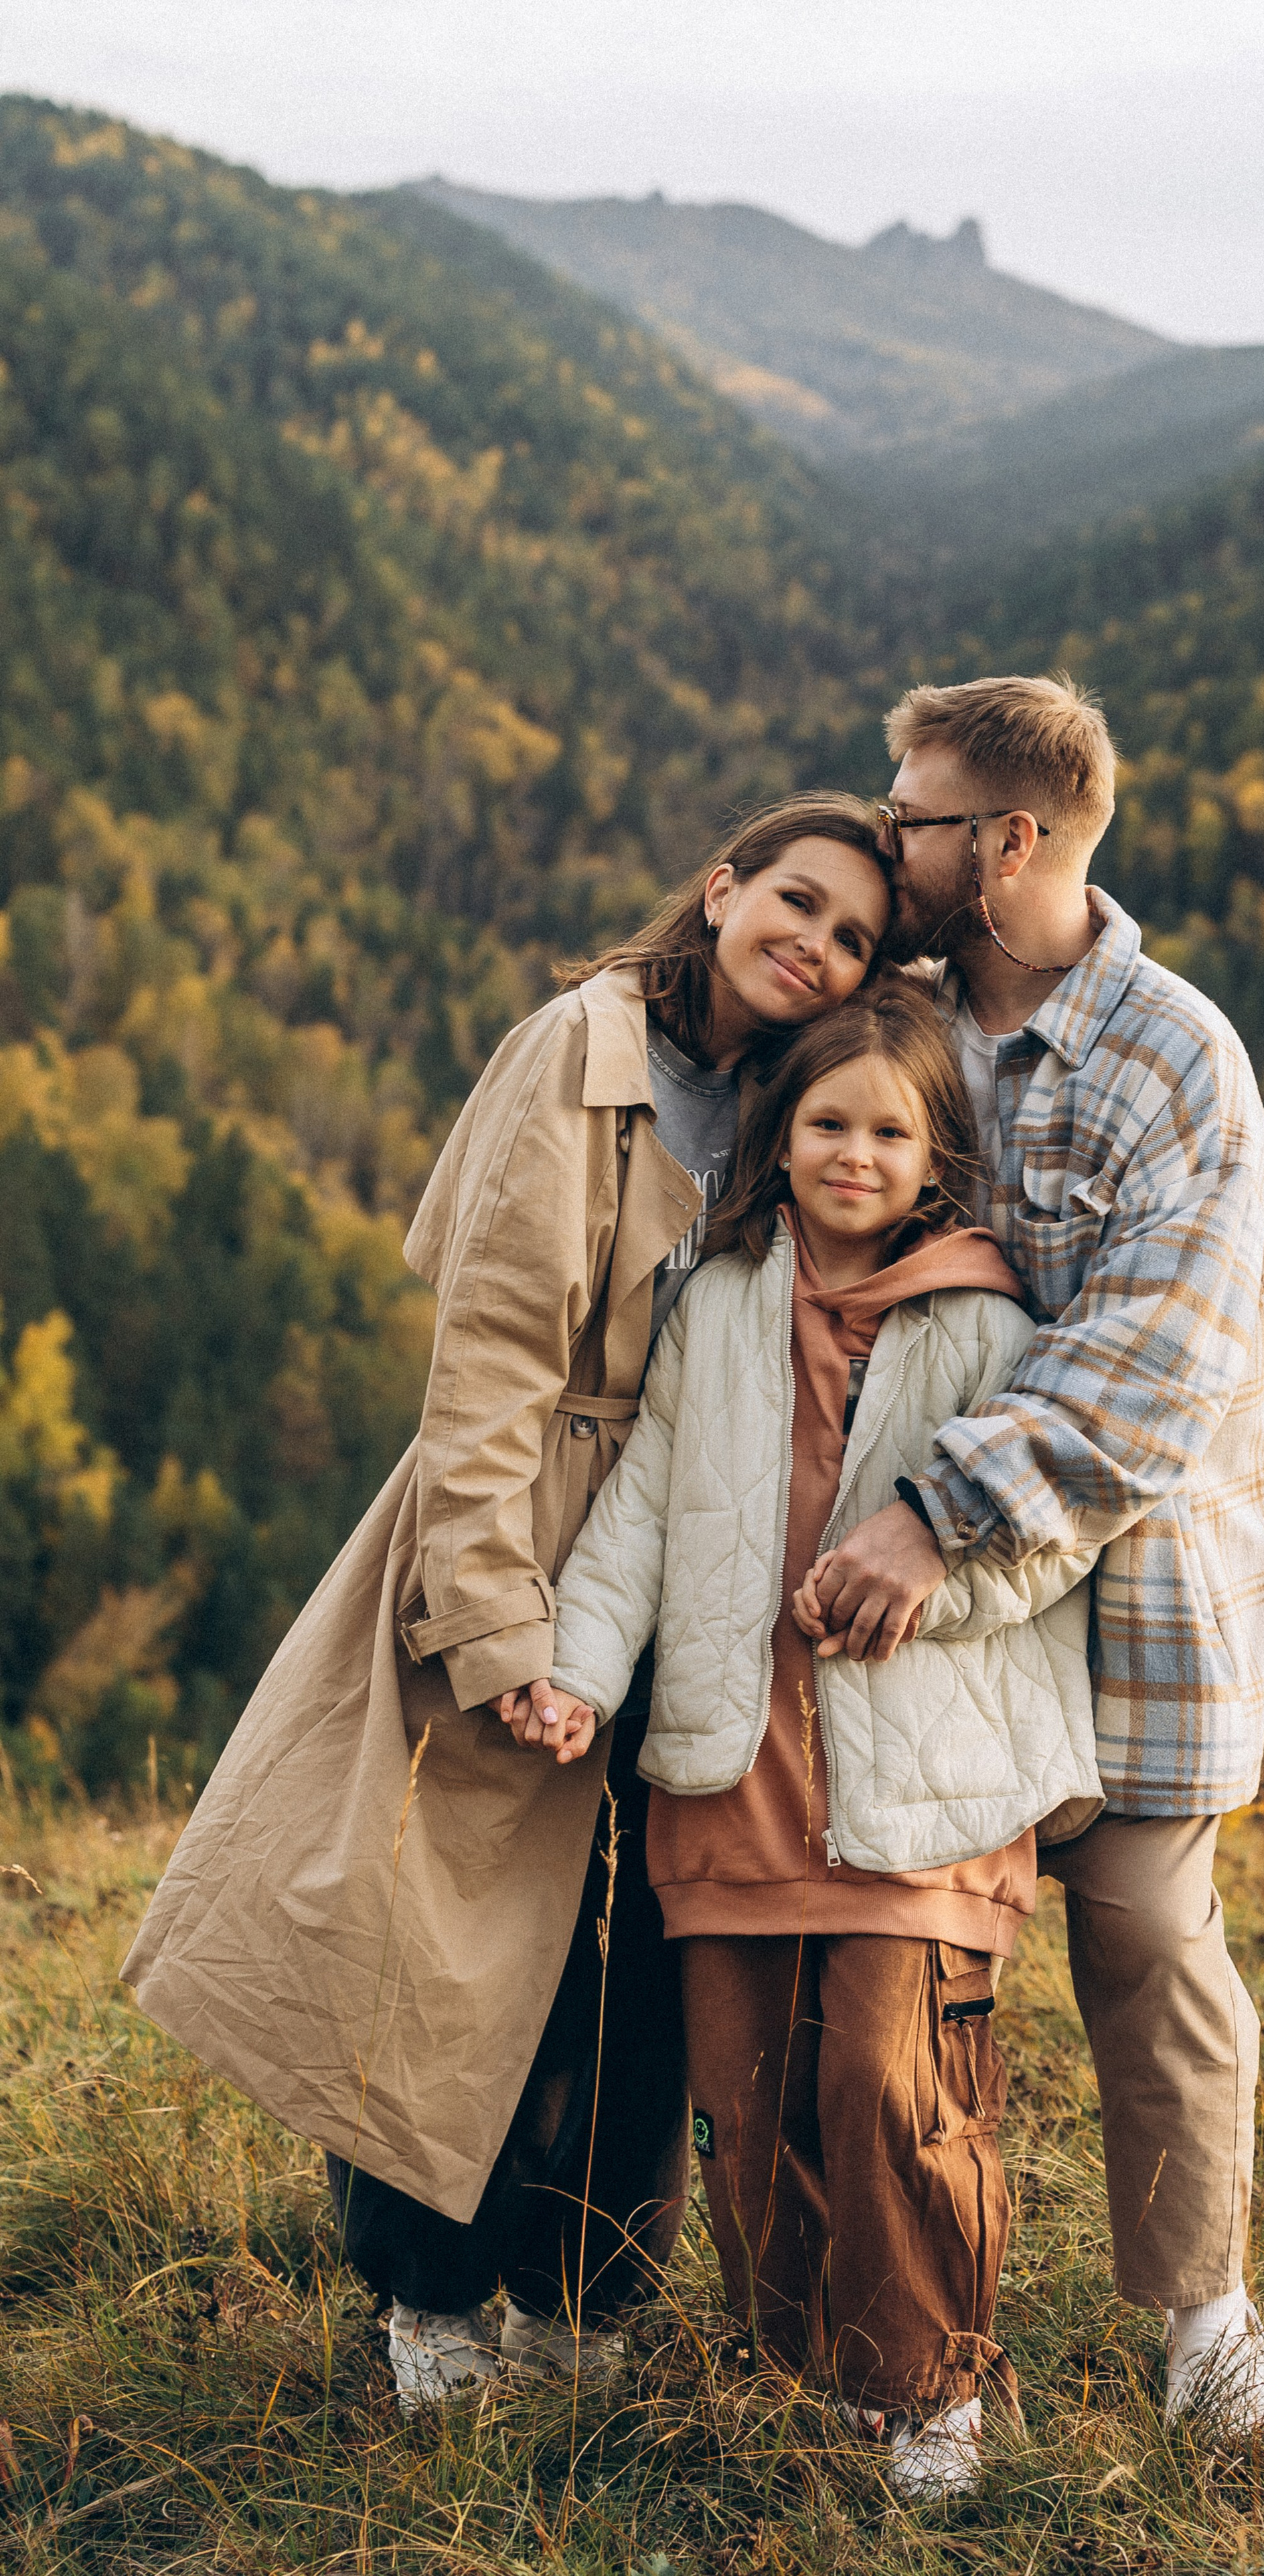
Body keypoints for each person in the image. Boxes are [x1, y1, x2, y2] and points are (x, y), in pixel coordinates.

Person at [121, 793, 893, 2414]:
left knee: (645, 1952)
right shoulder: (581, 1052)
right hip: (528, 1531)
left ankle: (587, 2300)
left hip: (693, 1564)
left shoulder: (786, 1094)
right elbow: (483, 1368)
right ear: (722, 885)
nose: (813, 946)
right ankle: (433, 2302)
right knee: (453, 1952)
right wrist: (490, 1623)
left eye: (851, 938)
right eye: (795, 902)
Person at [529, 982, 1103, 2500]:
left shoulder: (985, 1319)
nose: (853, 1152)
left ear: (935, 1158)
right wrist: (581, 1668)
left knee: (889, 2087)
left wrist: (928, 1590)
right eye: (824, 1123)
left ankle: (925, 2391)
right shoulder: (716, 1302)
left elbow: (1048, 1544)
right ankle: (798, 2376)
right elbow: (639, 1510)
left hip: (921, 1788)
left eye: (887, 1130)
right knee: (748, 2093)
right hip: (735, 1779)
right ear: (776, 1140)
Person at [798, 676, 1264, 2437]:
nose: (885, 835)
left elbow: (1160, 1357)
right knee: (906, 1962)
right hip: (925, 1627)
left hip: (1133, 1596)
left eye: (911, 813)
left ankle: (1200, 2312)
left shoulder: (1175, 1061)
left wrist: (938, 1513)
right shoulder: (892, 1019)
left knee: (1148, 1940)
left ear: (1008, 844)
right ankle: (926, 2347)